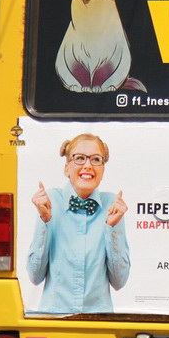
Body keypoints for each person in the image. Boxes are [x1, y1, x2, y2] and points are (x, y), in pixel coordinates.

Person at [28, 133, 130, 313]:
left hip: (99, 323)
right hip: (55, 320)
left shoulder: (113, 205)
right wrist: (45, 221)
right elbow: (35, 276)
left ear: (103, 170)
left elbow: (119, 281)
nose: (88, 165)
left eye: (96, 159)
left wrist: (111, 228)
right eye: (80, 158)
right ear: (67, 168)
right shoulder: (50, 201)